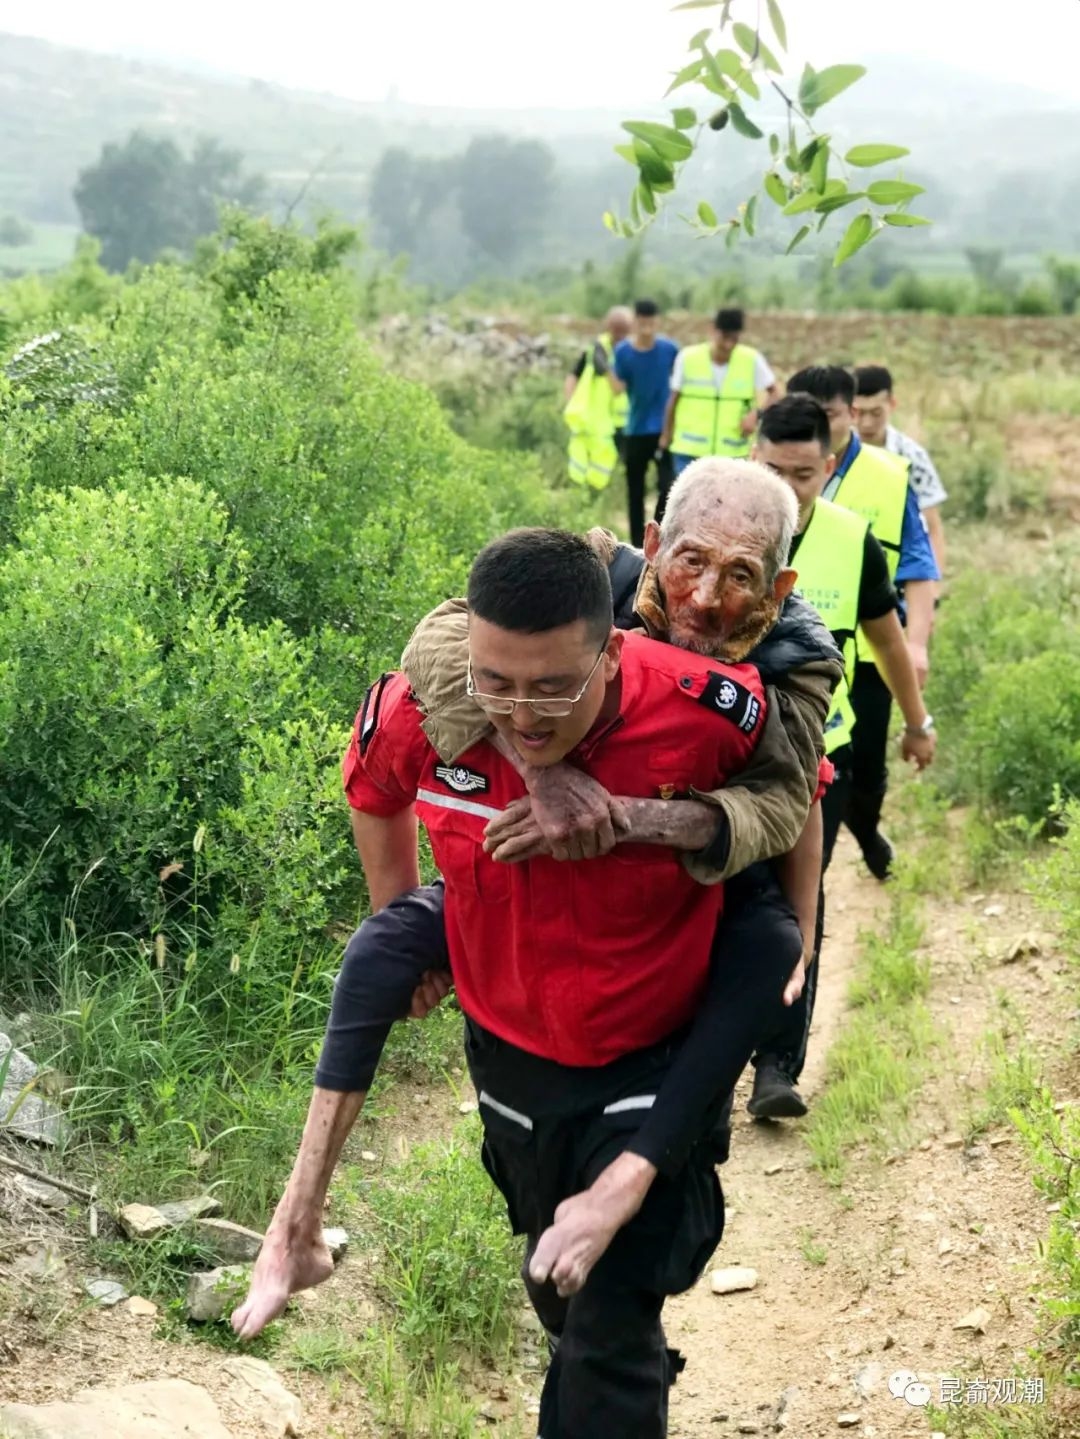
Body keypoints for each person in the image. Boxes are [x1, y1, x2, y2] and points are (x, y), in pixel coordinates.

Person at [235, 527, 800, 1438]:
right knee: (560, 1295)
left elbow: (790, 796)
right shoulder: (433, 706)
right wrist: (409, 928)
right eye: (497, 682)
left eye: (553, 688)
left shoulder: (707, 708)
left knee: (611, 1320)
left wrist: (784, 919)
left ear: (613, 652)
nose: (522, 713)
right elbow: (372, 784)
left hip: (650, 1052)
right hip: (510, 1059)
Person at [742, 395, 938, 1117]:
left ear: (828, 466)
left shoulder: (853, 539)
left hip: (820, 754)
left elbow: (886, 639)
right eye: (772, 469)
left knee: (794, 905)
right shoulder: (722, 525)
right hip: (724, 755)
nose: (788, 488)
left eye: (802, 473)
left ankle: (775, 1065)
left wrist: (917, 720)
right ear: (751, 460)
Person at [785, 366, 940, 880]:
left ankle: (865, 824)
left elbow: (917, 563)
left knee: (866, 769)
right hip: (788, 661)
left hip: (867, 654)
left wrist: (915, 643)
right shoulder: (768, 473)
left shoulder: (890, 476)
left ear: (847, 416)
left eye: (824, 414)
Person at [853, 363, 948, 575]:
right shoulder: (836, 453)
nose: (867, 423)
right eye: (859, 413)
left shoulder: (912, 457)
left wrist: (934, 588)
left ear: (892, 404)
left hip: (898, 571)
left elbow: (932, 526)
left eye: (876, 413)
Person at [662, 307, 780, 476]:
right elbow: (673, 400)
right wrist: (666, 436)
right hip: (689, 452)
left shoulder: (751, 359)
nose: (728, 345)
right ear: (712, 330)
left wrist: (756, 415)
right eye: (724, 337)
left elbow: (775, 393)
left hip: (732, 454)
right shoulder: (688, 358)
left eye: (734, 339)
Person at [609, 299, 679, 547]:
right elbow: (617, 389)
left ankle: (659, 536)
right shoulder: (624, 353)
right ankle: (637, 545)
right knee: (635, 491)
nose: (647, 328)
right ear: (635, 322)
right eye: (642, 322)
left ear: (656, 322)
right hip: (636, 429)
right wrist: (606, 366)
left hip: (664, 430)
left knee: (668, 487)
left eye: (651, 323)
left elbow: (680, 384)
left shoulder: (670, 350)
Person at [563, 306, 633, 490]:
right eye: (617, 330)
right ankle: (594, 495)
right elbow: (573, 376)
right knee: (598, 465)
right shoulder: (597, 350)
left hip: (626, 420)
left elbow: (620, 388)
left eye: (623, 330)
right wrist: (572, 404)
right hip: (600, 422)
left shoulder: (633, 351)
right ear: (609, 327)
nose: (620, 335)